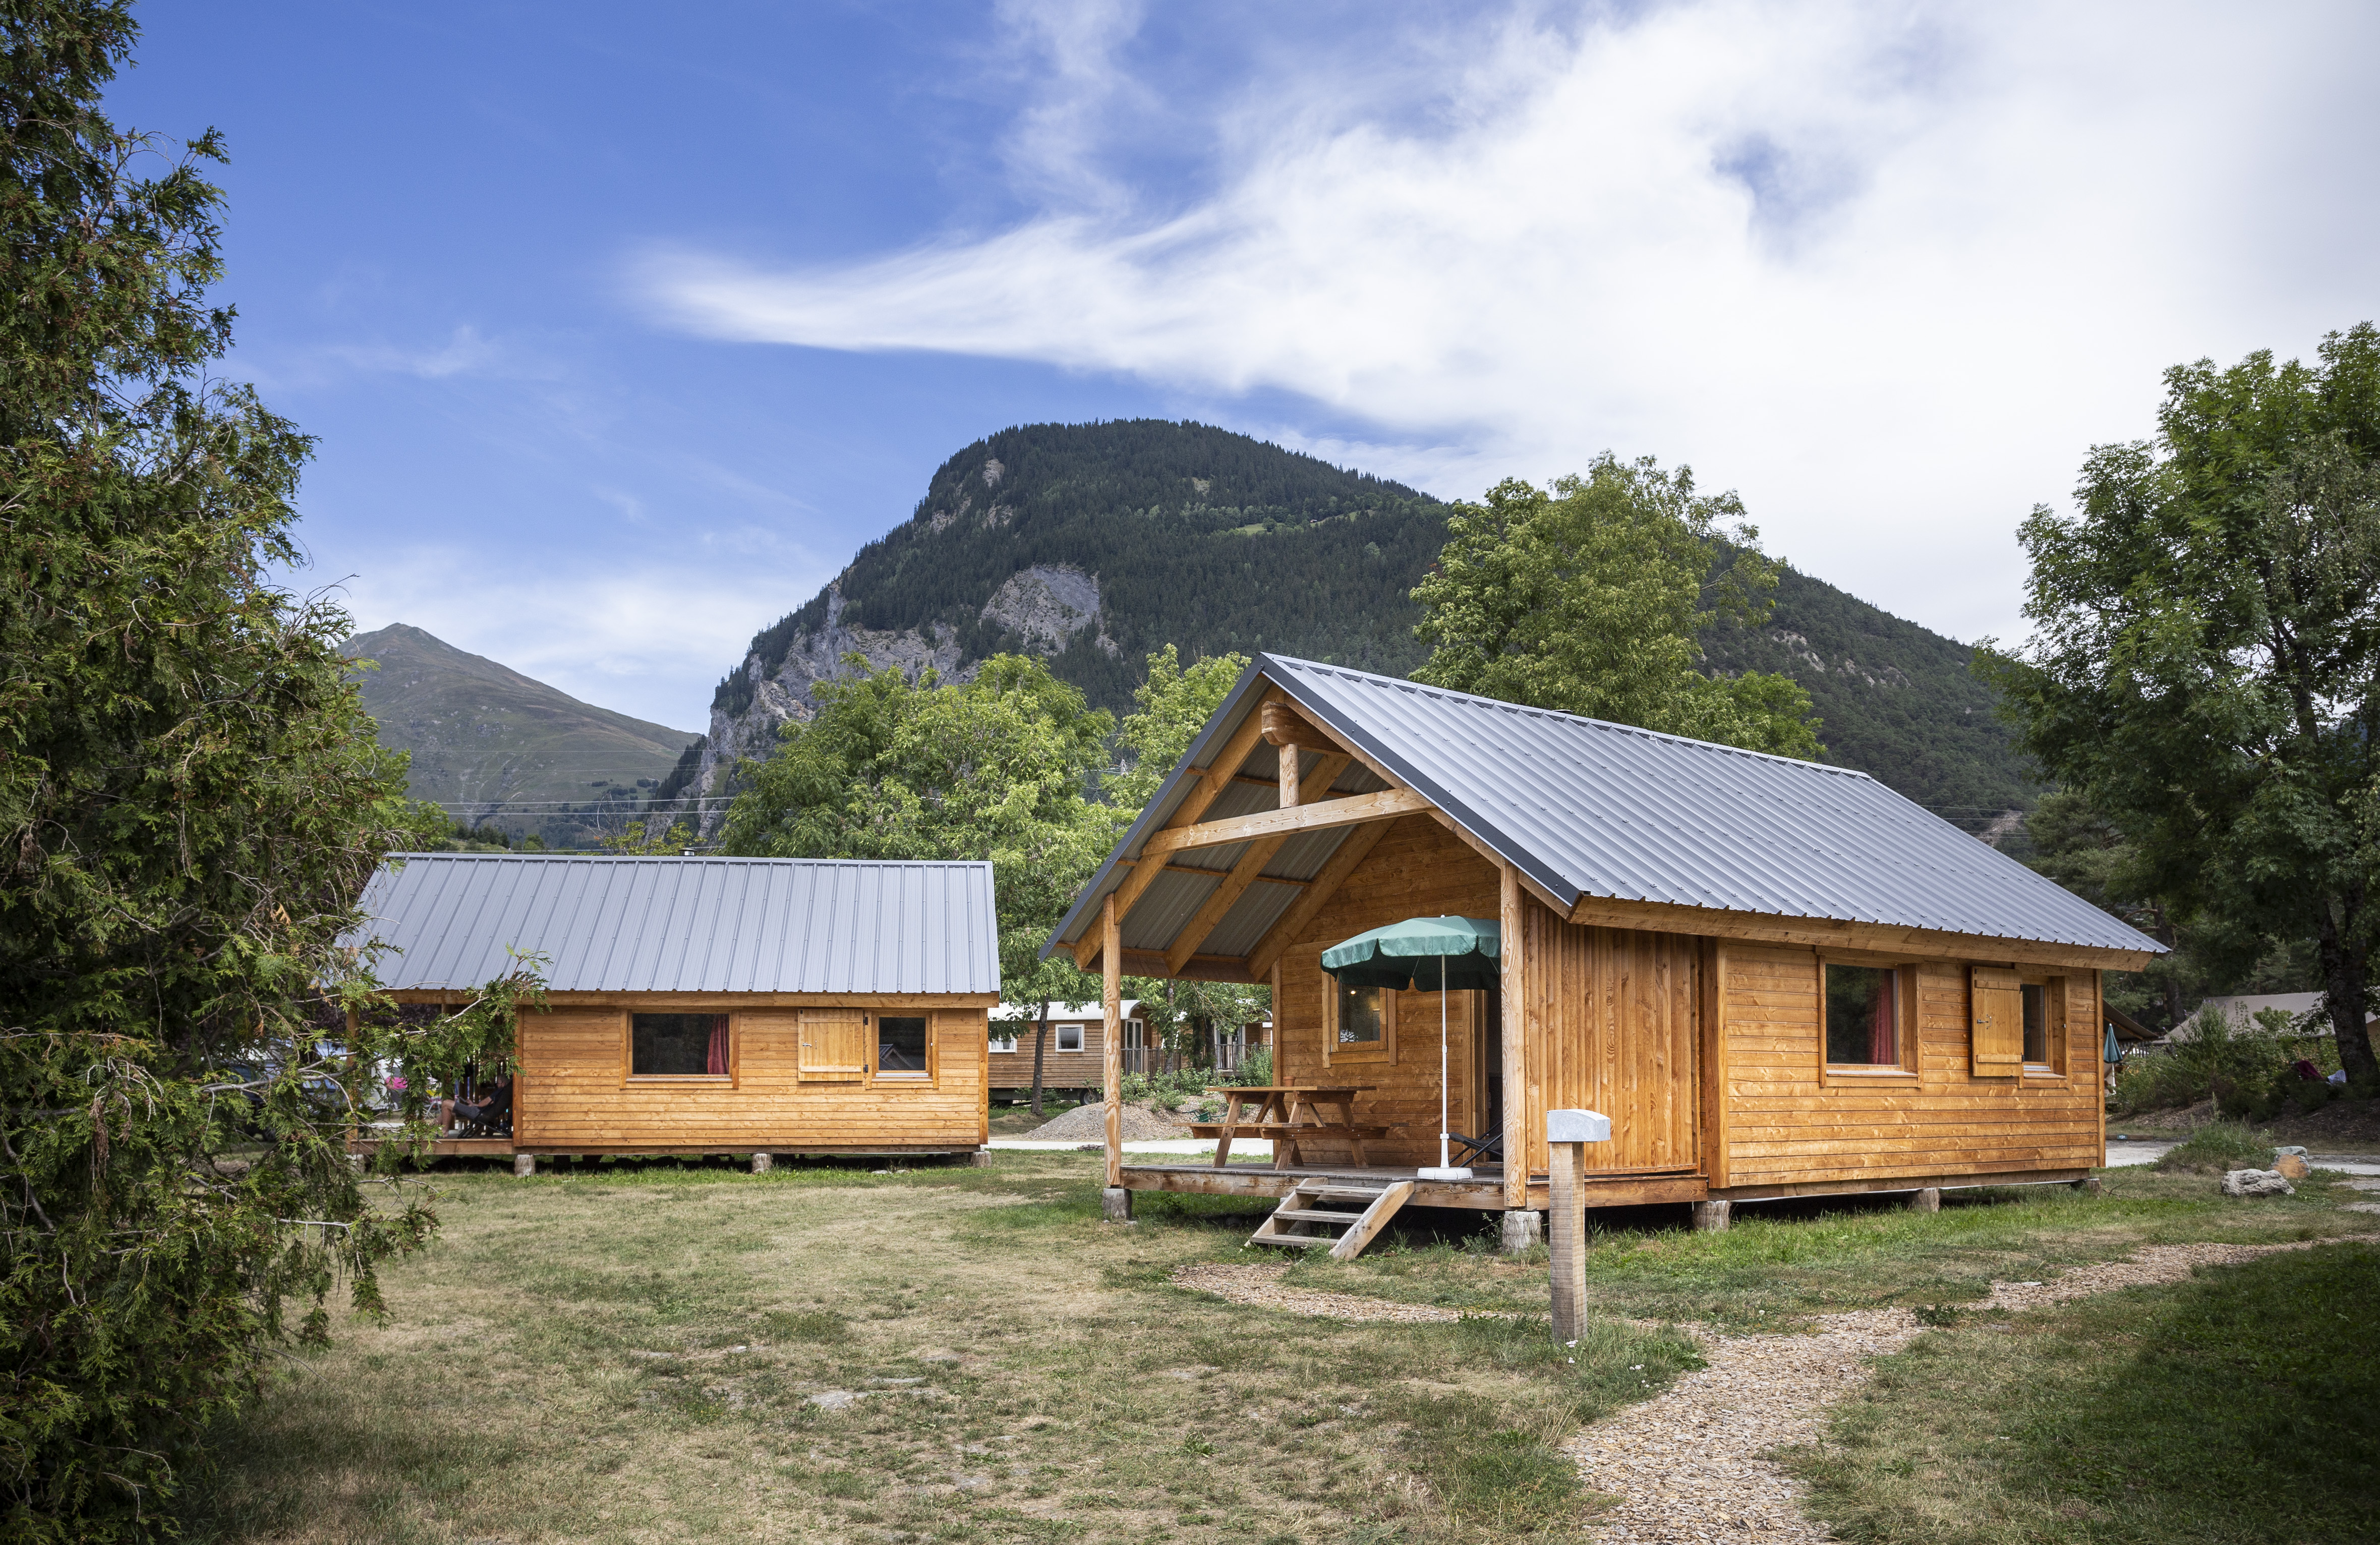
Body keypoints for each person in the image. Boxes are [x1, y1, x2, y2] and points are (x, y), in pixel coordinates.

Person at [441, 1072, 513, 1135]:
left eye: (498, 1083)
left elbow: (482, 1104)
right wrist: (474, 1105)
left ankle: (444, 1131)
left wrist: (475, 1106)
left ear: (503, 1084)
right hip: (482, 1113)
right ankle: (432, 1128)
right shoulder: (505, 1093)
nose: (497, 1085)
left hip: (478, 1114)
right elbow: (485, 1105)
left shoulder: (500, 1092)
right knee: (447, 1111)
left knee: (446, 1103)